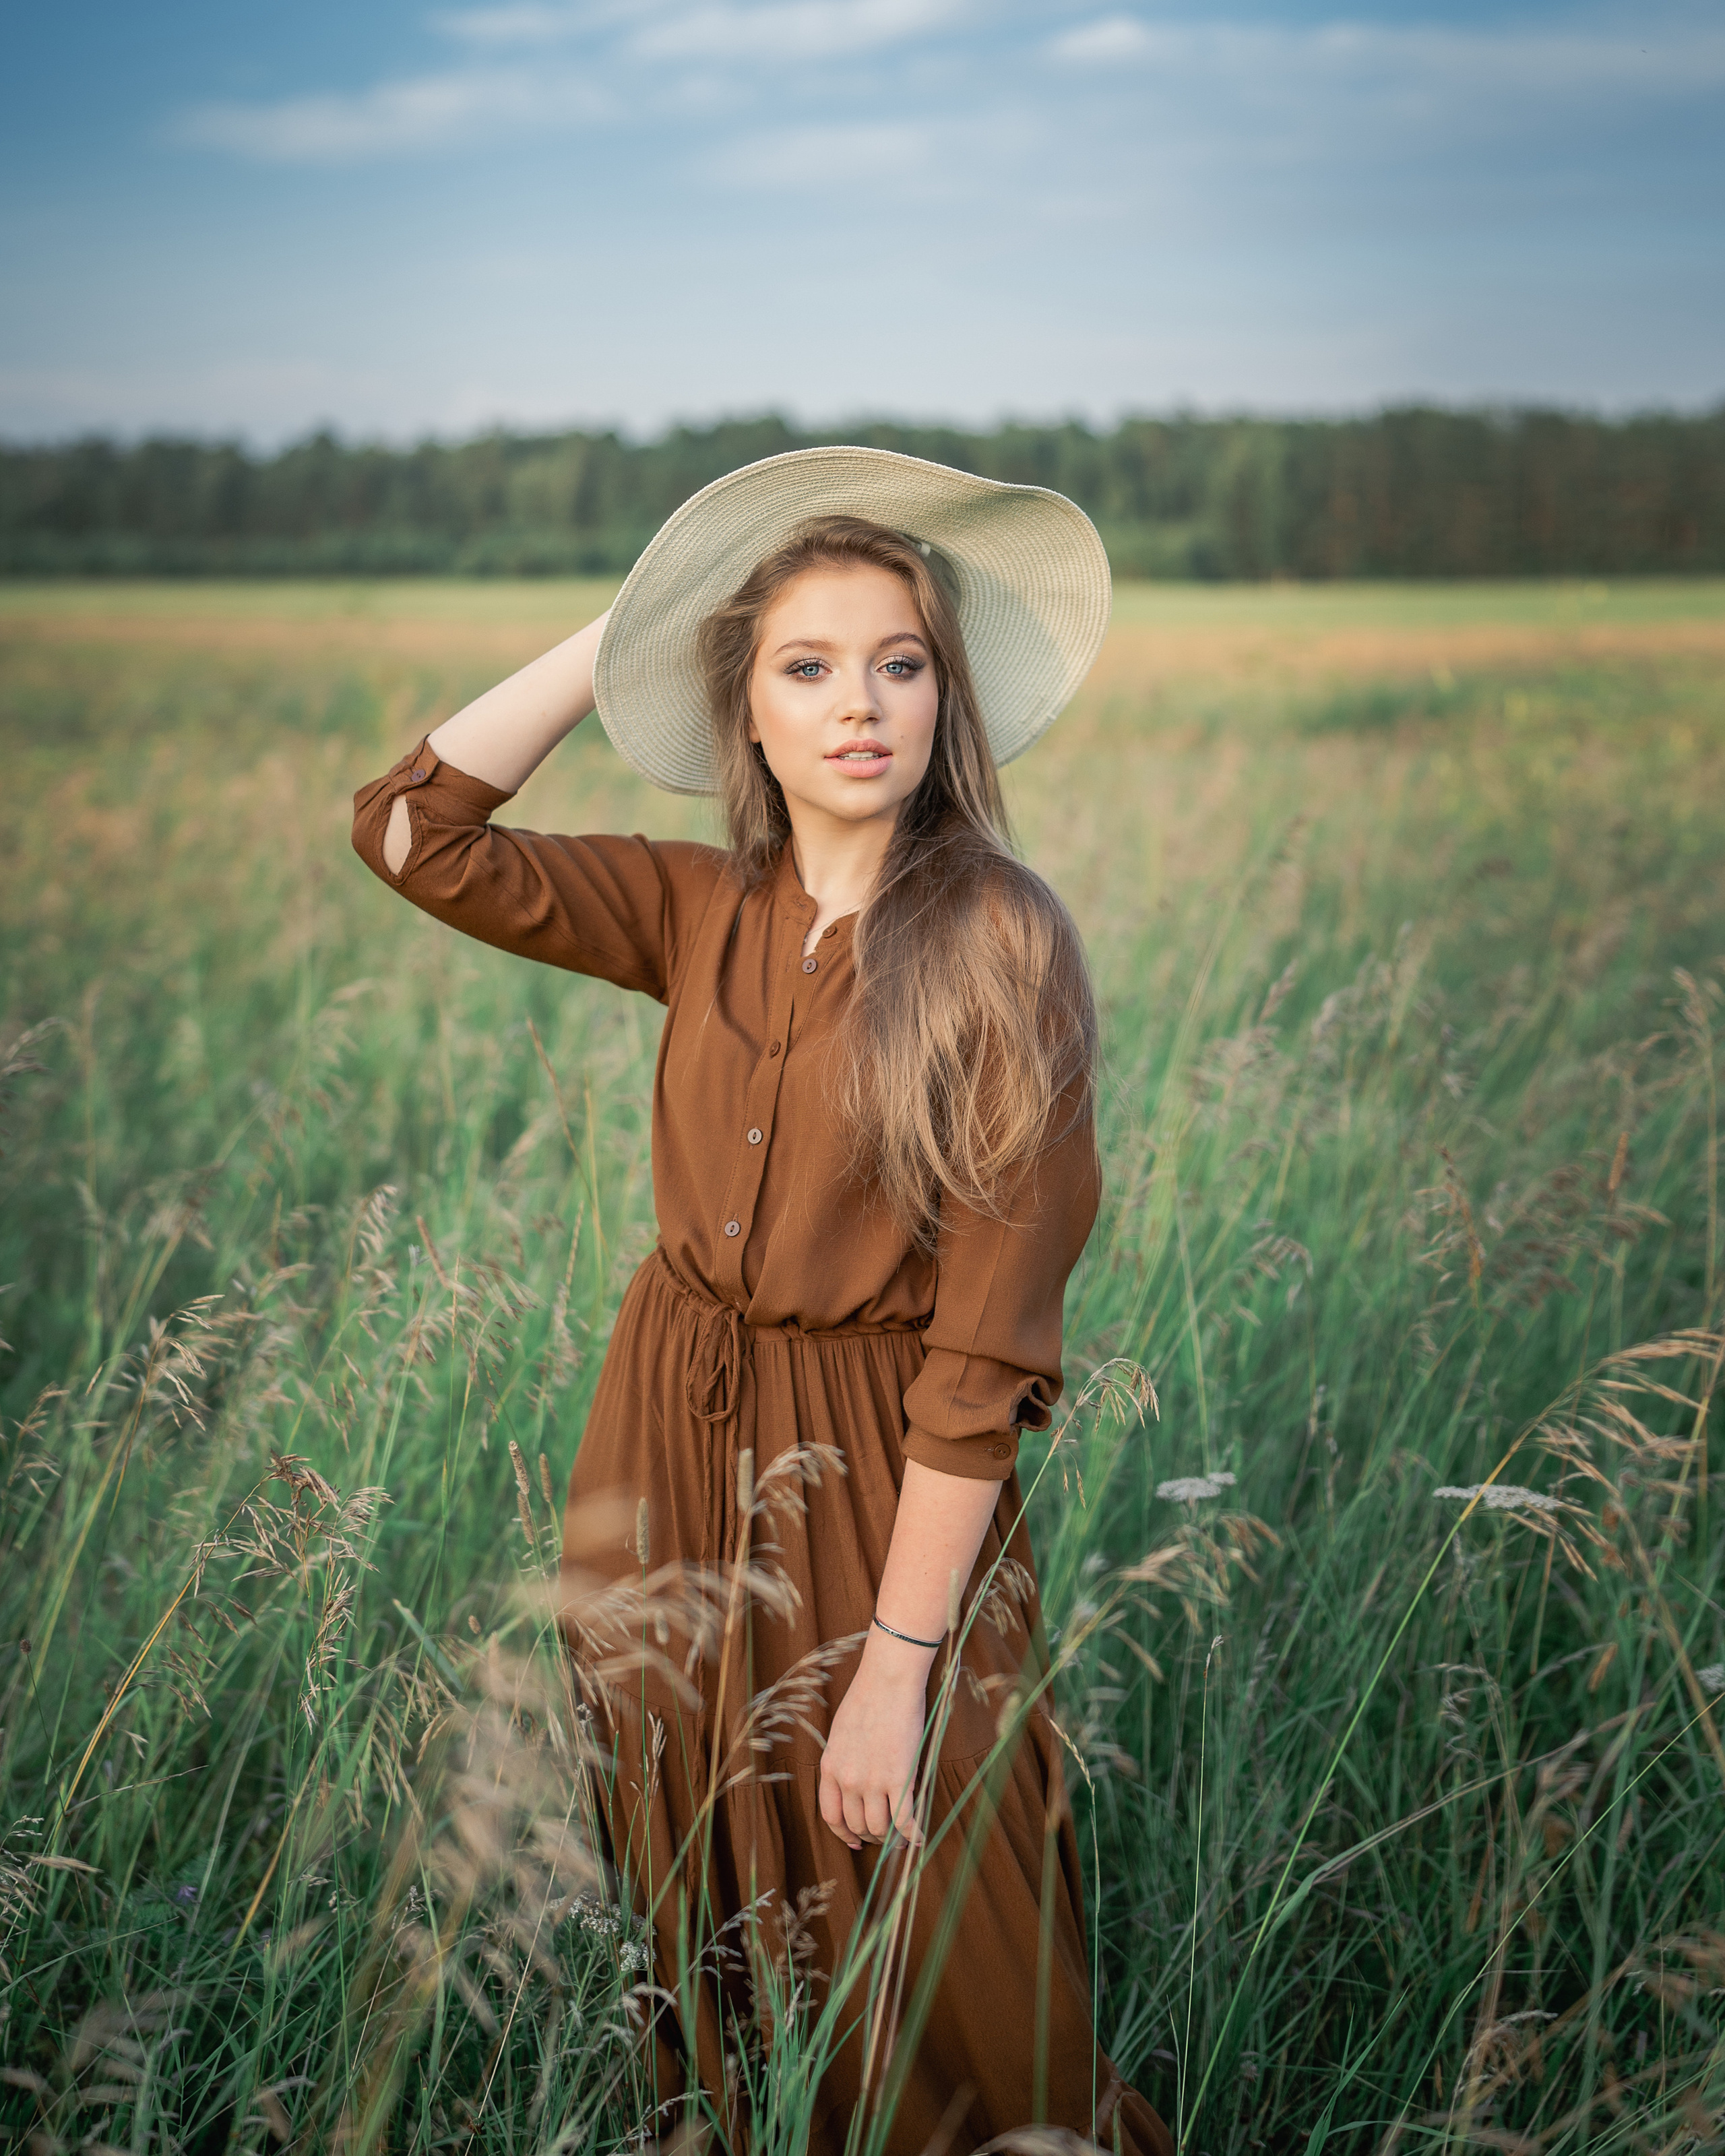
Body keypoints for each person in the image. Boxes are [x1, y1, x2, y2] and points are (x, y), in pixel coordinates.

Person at [351, 448, 1170, 2156]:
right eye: (803, 665)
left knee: (949, 1888)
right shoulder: (697, 903)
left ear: (945, 698)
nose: (857, 704)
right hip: (662, 1429)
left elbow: (982, 1353)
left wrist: (897, 1661)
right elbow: (412, 831)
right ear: (745, 707)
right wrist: (621, 634)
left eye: (897, 662)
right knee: (710, 1871)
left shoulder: (1003, 945)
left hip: (885, 1465)